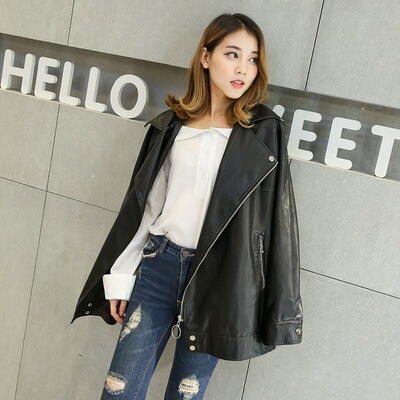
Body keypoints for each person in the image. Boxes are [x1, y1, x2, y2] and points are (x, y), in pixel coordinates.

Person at [72, 12, 303, 400]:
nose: (243, 69)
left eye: (252, 59)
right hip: (158, 267)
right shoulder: (172, 126)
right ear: (206, 57)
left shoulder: (264, 132)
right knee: (118, 391)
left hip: (220, 279)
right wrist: (122, 275)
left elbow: (279, 223)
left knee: (185, 395)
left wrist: (277, 308)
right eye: (232, 54)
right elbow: (147, 211)